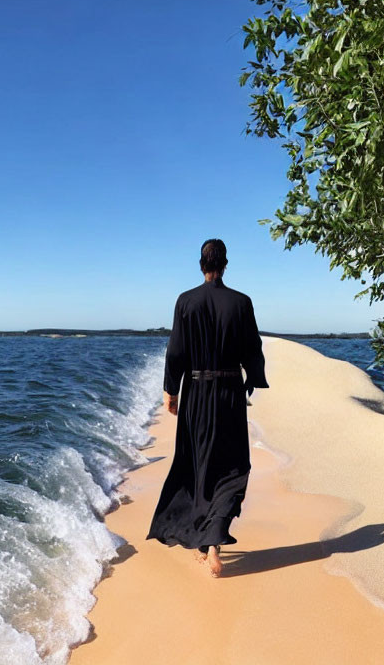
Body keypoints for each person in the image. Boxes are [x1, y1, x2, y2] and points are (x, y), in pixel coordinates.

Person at [147, 238, 268, 577]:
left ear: (200, 264)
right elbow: (252, 348)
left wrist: (171, 391)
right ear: (225, 263)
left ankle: (205, 542)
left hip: (197, 392)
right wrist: (251, 379)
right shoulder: (241, 302)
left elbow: (175, 353)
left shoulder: (186, 301)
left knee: (198, 464)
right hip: (228, 392)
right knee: (231, 465)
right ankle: (212, 540)